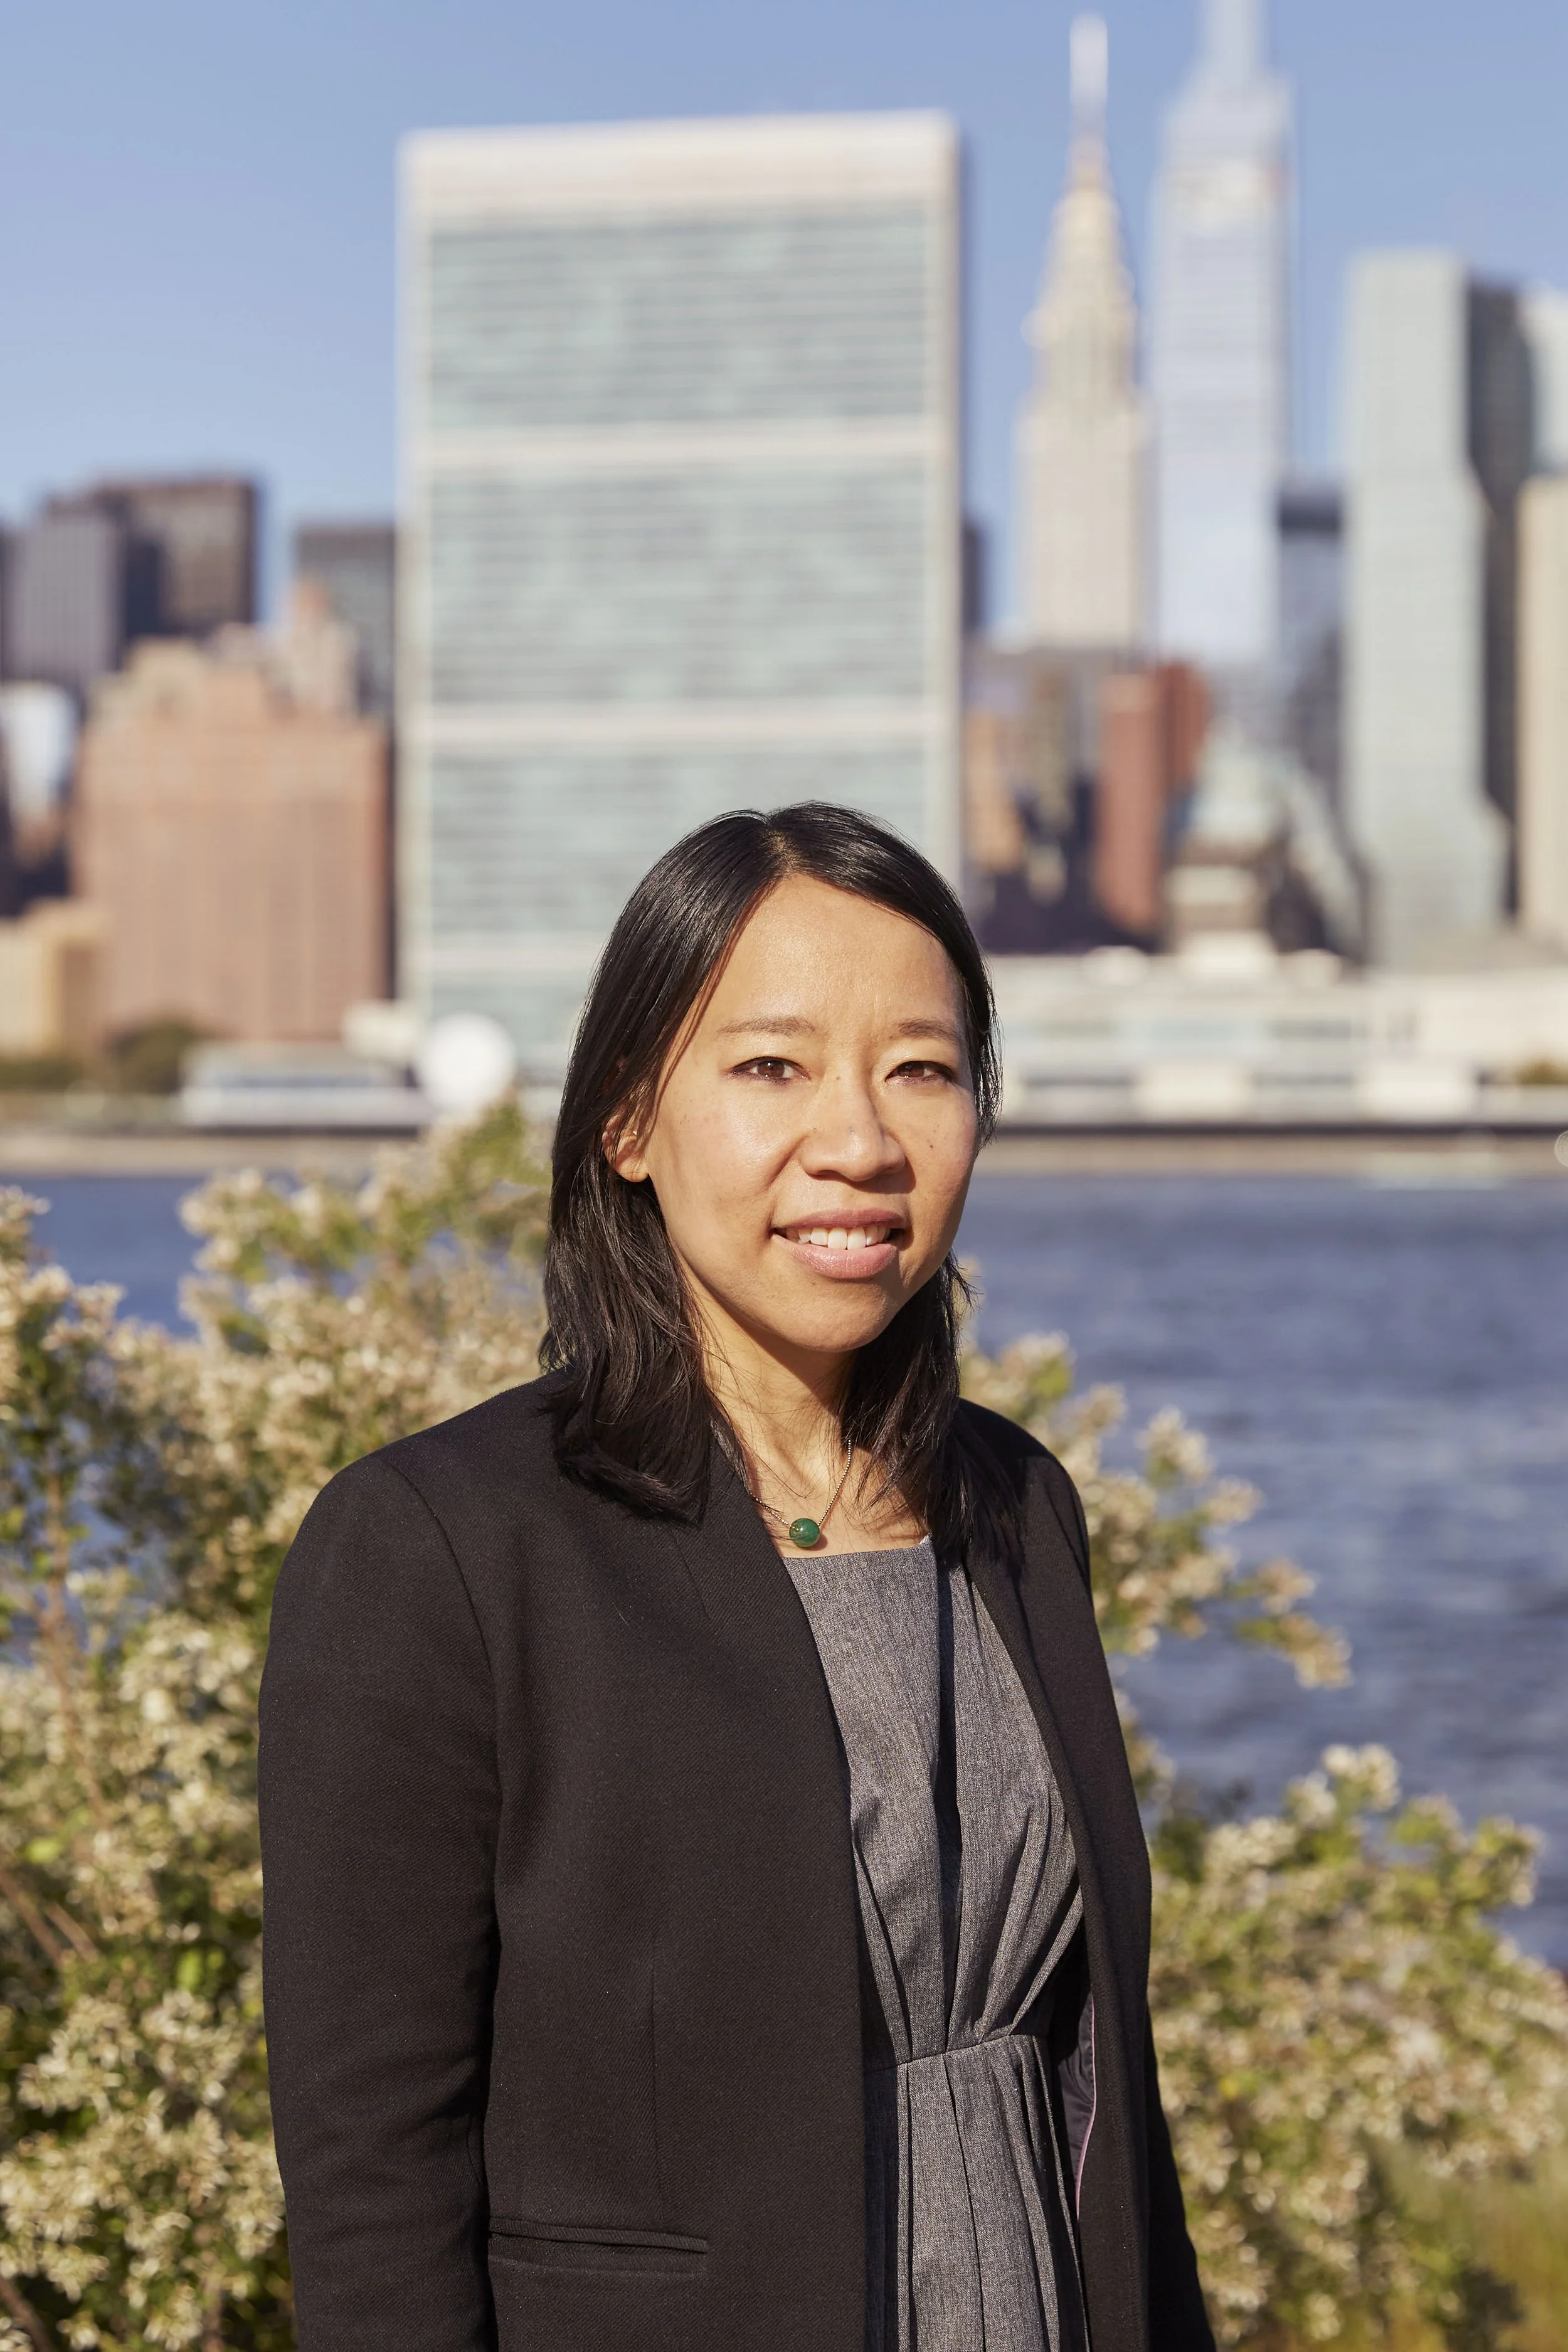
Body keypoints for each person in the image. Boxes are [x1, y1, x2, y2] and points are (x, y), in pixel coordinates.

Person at [260, 803, 1215, 2352]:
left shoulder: (1014, 1505)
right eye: (769, 1068)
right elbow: (374, 2186)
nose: (858, 1140)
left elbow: (1104, 2079)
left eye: (920, 1068)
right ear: (628, 1121)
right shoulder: (439, 1548)